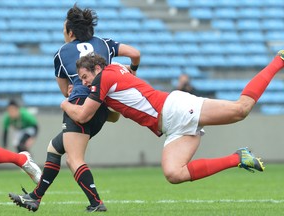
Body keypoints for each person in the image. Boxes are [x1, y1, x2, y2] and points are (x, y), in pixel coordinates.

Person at [59, 50, 284, 185]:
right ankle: (239, 158)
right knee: (174, 173)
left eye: (85, 76)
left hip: (174, 109)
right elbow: (115, 116)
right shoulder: (113, 72)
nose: (84, 82)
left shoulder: (103, 79)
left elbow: (83, 114)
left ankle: (279, 59)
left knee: (241, 109)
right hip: (170, 125)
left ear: (97, 68)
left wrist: (64, 103)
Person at [9, 5, 140, 213]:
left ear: (70, 32)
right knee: (55, 148)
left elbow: (66, 92)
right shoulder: (105, 44)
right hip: (102, 109)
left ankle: (96, 202)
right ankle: (35, 197)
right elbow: (135, 53)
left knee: (74, 159)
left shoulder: (62, 53)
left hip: (79, 106)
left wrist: (71, 92)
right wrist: (131, 72)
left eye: (64, 29)